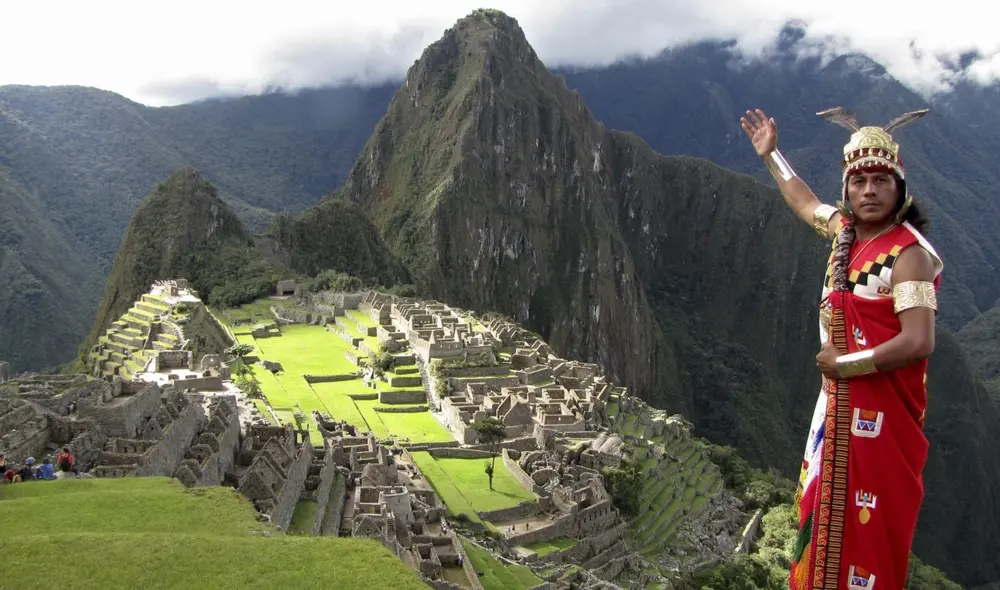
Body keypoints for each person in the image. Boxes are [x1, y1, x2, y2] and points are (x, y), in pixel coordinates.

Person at [740, 107, 942, 590]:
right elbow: (803, 201)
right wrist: (772, 155)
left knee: (869, 528)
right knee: (823, 510)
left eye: (879, 180)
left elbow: (918, 340)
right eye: (859, 182)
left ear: (899, 188)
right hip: (837, 404)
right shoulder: (843, 236)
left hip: (879, 413)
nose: (869, 191)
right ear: (847, 189)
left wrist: (844, 364)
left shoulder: (908, 256)